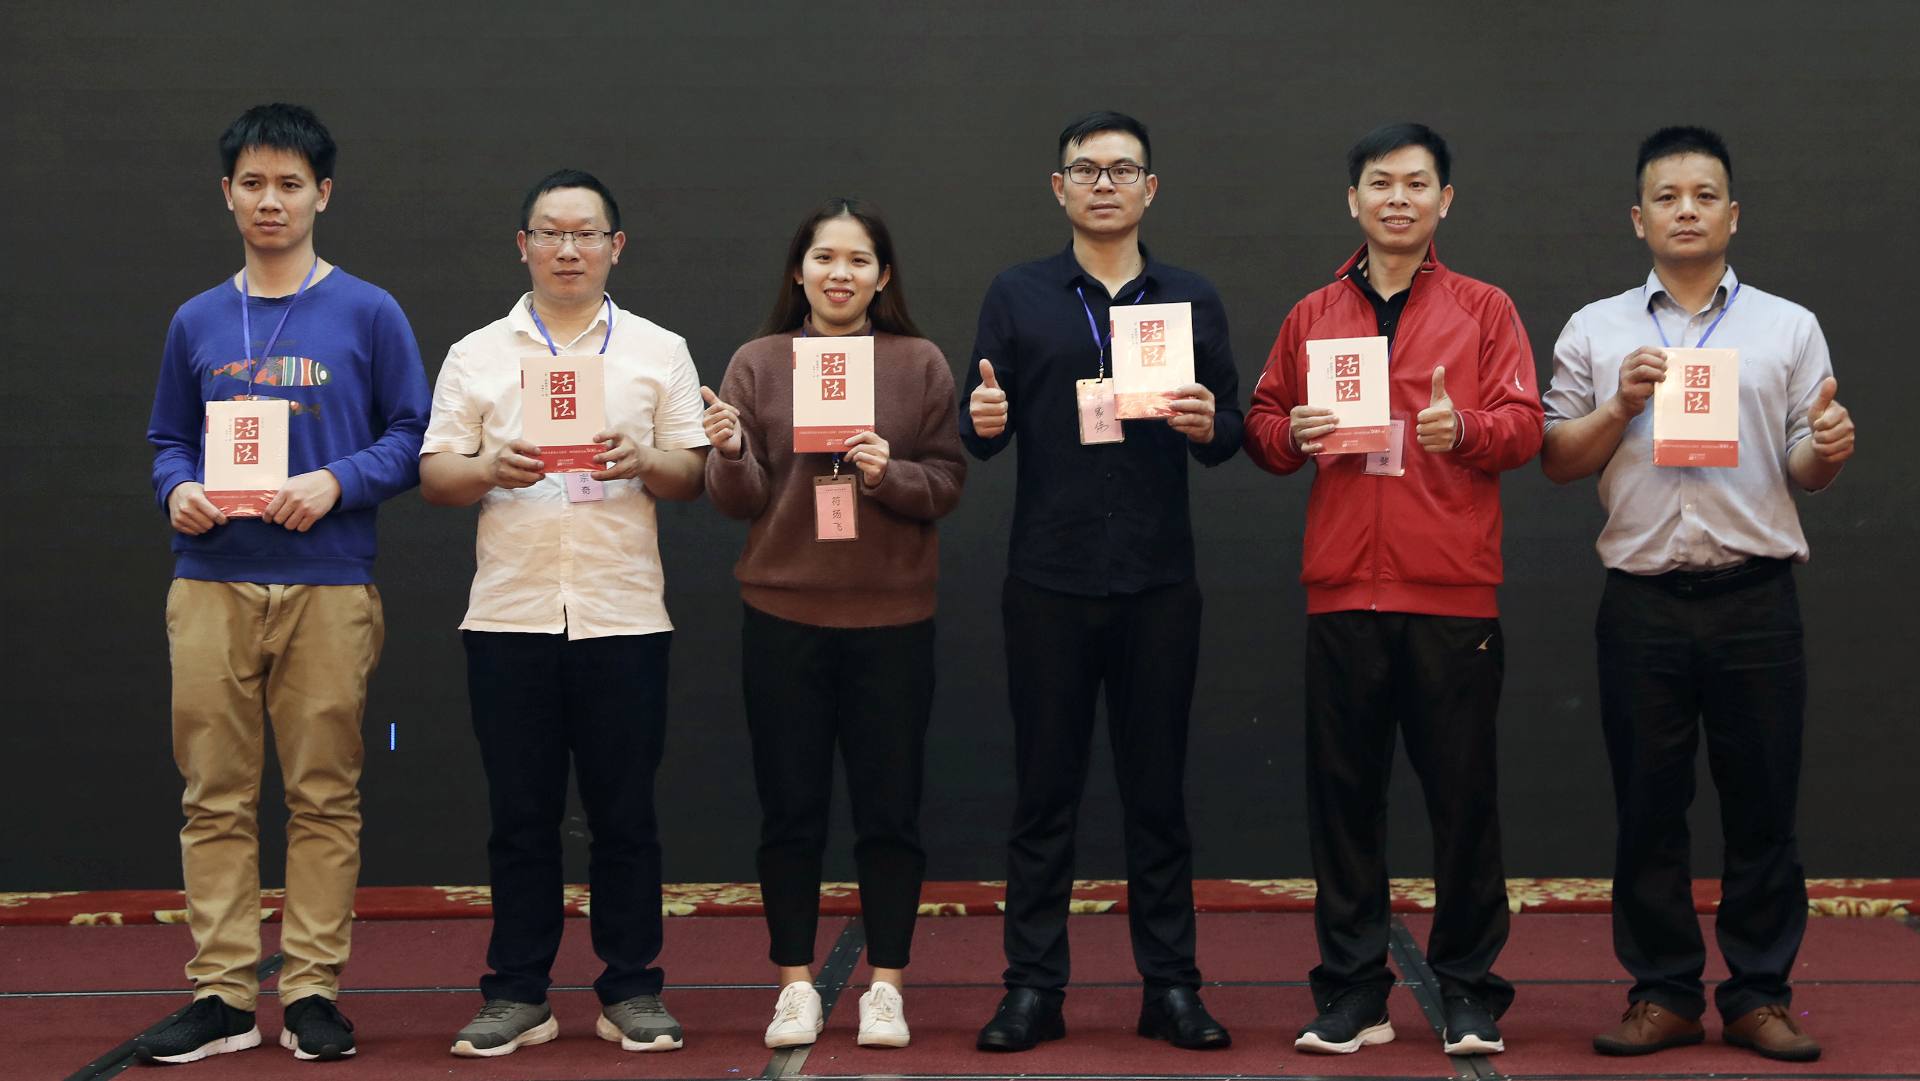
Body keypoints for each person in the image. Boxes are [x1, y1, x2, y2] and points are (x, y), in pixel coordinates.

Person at [1541, 126, 1853, 1065]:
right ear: (1638, 219)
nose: (1687, 210)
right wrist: (1620, 405)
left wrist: (1828, 451)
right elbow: (1555, 457)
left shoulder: (1788, 326)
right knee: (1648, 807)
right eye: (1667, 196)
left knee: (1764, 807)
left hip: (1756, 598)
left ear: (1733, 214)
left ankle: (1759, 994)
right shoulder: (1596, 328)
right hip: (1642, 600)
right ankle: (1664, 992)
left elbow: (1804, 462)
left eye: (1705, 195)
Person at [139, 103, 430, 1065]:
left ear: (323, 195)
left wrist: (337, 480)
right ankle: (223, 995)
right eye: (254, 183)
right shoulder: (196, 318)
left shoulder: (370, 310)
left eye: (291, 184)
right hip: (211, 582)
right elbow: (168, 438)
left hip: (329, 584)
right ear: (227, 194)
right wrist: (177, 488)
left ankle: (310, 989)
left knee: (324, 795)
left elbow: (413, 434)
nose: (272, 201)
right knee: (213, 796)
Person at [1243, 122, 1541, 1058]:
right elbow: (1262, 424)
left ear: (1444, 200)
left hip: (1452, 595)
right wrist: (1291, 431)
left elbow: (1527, 424)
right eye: (1381, 183)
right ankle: (1352, 993)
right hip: (1342, 595)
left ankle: (1468, 991)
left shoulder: (1485, 308)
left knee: (1464, 804)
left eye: (1417, 183)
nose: (1398, 198)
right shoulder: (1311, 313)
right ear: (1353, 200)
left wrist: (1469, 431)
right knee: (1344, 805)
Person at [960, 110, 1243, 1054]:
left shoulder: (1191, 296)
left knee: (1156, 795)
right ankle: (1032, 989)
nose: (1105, 184)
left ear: (1150, 189)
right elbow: (979, 425)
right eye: (1087, 170)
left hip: (1159, 581)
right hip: (1049, 578)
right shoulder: (1019, 292)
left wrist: (1209, 424)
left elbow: (1232, 428)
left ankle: (1171, 987)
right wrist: (983, 416)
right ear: (1060, 188)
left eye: (1123, 170)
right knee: (1044, 795)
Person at [419, 169, 710, 1059]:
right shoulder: (477, 352)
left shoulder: (659, 348)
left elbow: (692, 473)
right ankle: (517, 992)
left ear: (616, 246)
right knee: (520, 817)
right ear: (524, 245)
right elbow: (435, 473)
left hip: (624, 617)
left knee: (626, 816)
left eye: (587, 234)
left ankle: (631, 988)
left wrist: (643, 459)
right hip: (510, 617)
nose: (569, 249)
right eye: (551, 232)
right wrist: (488, 469)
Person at [702, 197, 965, 1051]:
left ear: (883, 276)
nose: (839, 273)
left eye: (858, 260)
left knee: (890, 811)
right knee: (791, 810)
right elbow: (738, 499)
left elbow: (948, 481)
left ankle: (886, 985)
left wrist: (891, 475)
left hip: (894, 617)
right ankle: (794, 985)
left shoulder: (919, 362)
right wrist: (730, 452)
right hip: (784, 612)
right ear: (798, 270)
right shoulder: (758, 361)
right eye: (824, 257)